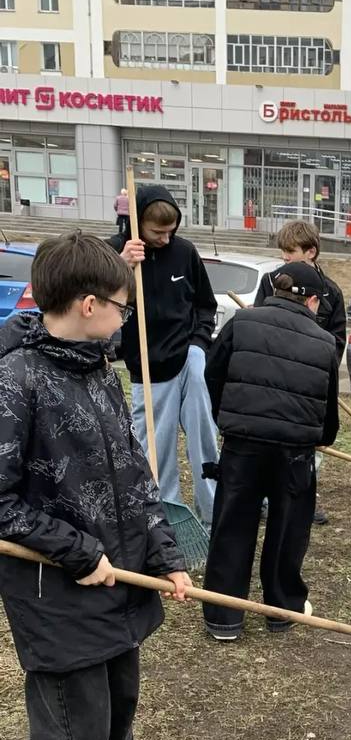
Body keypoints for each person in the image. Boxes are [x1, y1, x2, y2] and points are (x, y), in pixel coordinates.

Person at [0, 232, 191, 740]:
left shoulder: (100, 372)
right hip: (55, 587)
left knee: (118, 702)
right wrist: (80, 552)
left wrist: (166, 554)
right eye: (120, 305)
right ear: (87, 304)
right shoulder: (16, 379)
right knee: (73, 718)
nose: (124, 317)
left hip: (122, 577)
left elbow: (135, 476)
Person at [202, 261, 340, 641]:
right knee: (289, 528)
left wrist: (226, 417)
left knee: (233, 523)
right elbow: (329, 402)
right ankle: (283, 608)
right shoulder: (324, 341)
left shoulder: (242, 323)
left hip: (243, 443)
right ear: (312, 300)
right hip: (295, 451)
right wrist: (323, 436)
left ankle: (223, 616)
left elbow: (212, 372)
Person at [108, 184, 219, 528]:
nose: (166, 240)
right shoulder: (112, 253)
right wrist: (121, 266)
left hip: (189, 356)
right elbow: (94, 299)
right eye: (158, 232)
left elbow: (205, 305)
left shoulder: (184, 252)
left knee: (204, 437)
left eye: (171, 232)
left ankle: (214, 512)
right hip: (149, 369)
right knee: (156, 453)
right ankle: (163, 520)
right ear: (138, 224)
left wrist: (199, 346)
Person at [253, 219, 346, 526]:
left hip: (310, 383)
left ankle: (301, 498)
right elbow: (261, 326)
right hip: (275, 379)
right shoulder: (270, 282)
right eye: (282, 251)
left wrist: (321, 371)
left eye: (290, 251)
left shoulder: (331, 293)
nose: (284, 257)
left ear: (311, 252)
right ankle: (266, 498)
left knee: (310, 445)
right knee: (273, 437)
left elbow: (337, 340)